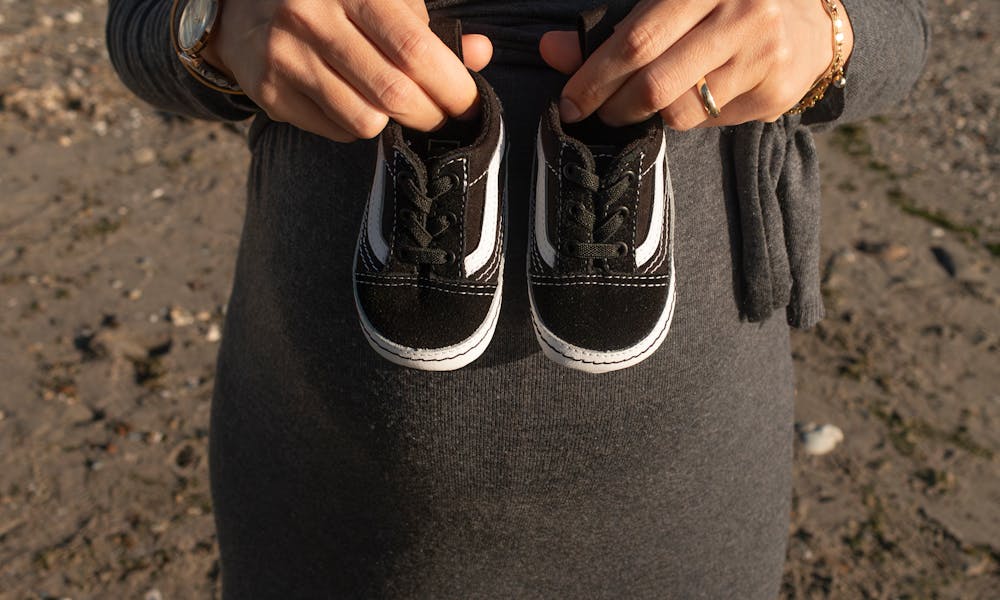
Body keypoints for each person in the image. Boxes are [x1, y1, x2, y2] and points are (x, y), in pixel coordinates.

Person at [106, 0, 928, 597]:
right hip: (328, 474)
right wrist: (213, 26)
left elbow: (907, 33)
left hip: (692, 485)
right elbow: (136, 23)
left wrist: (826, 30)